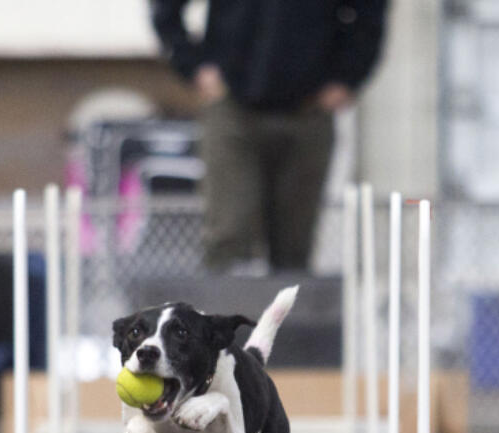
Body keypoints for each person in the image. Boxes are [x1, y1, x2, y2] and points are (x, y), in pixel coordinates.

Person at [151, 0, 388, 273]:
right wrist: (192, 65)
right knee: (229, 234)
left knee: (294, 247)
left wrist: (348, 78)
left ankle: (289, 316)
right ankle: (221, 314)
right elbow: (165, 10)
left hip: (309, 109)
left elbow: (370, 15)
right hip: (233, 108)